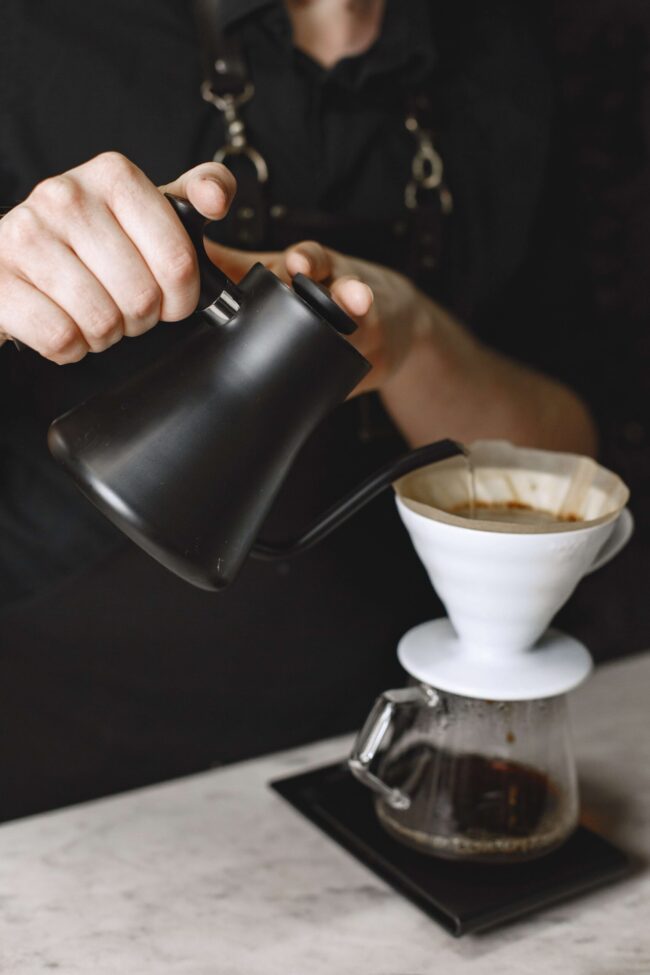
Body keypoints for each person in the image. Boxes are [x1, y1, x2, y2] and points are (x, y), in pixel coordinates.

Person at [0, 0, 635, 820]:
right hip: (64, 772)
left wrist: (413, 341)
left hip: (379, 756)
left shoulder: (503, 53)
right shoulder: (40, 34)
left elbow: (572, 461)